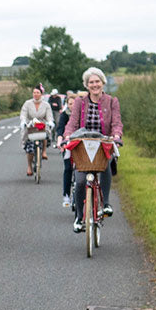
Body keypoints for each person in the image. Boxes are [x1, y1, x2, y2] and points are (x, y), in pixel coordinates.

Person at [57, 67, 123, 232]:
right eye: (91, 82)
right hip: (82, 143)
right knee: (79, 181)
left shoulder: (111, 101)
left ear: (102, 83)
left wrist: (116, 135)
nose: (95, 85)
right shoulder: (80, 102)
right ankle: (79, 217)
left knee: (106, 164)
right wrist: (67, 137)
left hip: (103, 142)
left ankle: (105, 204)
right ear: (86, 85)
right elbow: (72, 122)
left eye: (97, 81)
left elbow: (116, 122)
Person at [19, 85, 54, 176]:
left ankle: (44, 151)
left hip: (42, 125)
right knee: (30, 148)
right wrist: (23, 122)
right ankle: (29, 166)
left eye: (37, 92)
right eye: (34, 92)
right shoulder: (27, 103)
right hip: (31, 126)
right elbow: (23, 114)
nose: (35, 94)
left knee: (45, 132)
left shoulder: (46, 105)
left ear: (41, 94)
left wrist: (50, 122)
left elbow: (49, 116)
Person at [55, 94, 77, 207]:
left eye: (74, 103)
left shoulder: (82, 115)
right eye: (70, 104)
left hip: (79, 145)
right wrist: (60, 142)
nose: (72, 106)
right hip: (67, 144)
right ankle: (66, 195)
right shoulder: (64, 115)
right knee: (68, 168)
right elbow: (60, 130)